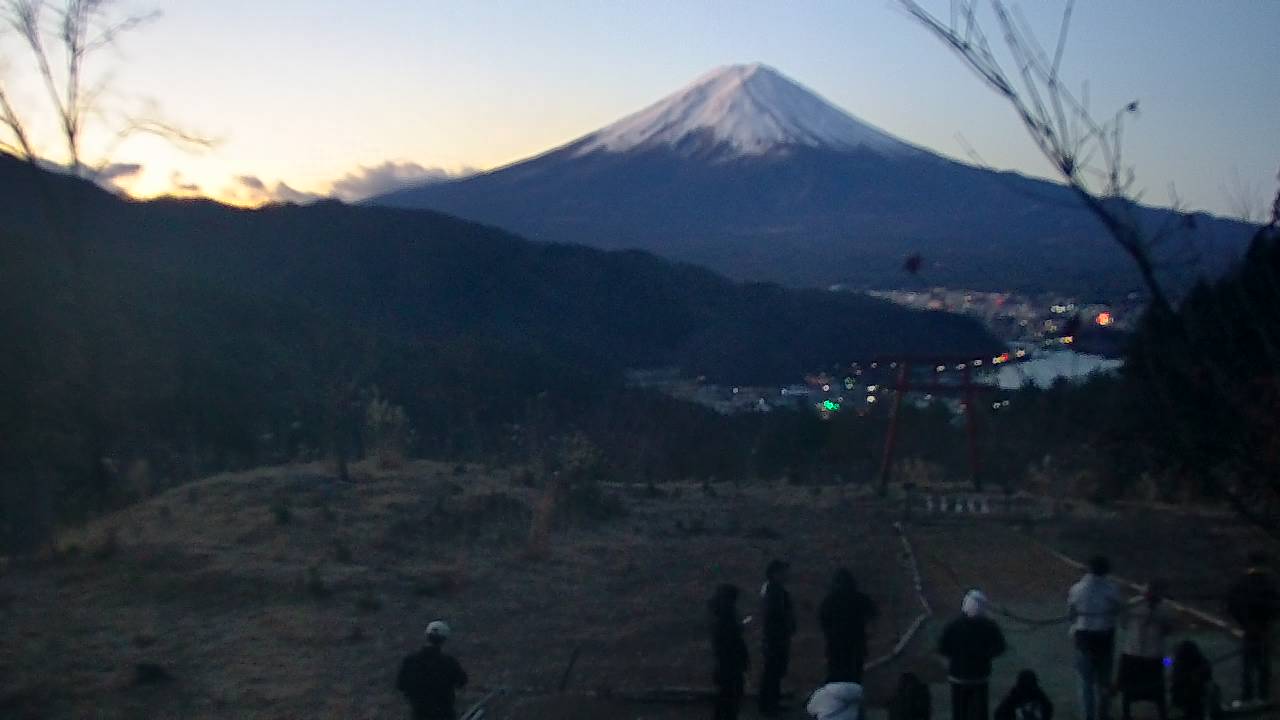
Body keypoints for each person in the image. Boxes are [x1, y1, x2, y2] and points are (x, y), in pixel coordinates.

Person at [1067, 555, 1126, 720]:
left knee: (1085, 682)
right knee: (1104, 681)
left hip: (1084, 638)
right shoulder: (1112, 589)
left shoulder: (1076, 589)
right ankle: (1103, 714)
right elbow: (1119, 610)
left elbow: (1071, 614)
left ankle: (1088, 716)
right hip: (1104, 638)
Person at [938, 589, 1007, 720]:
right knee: (980, 713)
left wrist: (957, 656)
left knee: (959, 713)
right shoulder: (989, 626)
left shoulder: (953, 626)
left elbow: (942, 648)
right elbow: (1000, 647)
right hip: (980, 677)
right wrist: (985, 656)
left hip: (958, 676)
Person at [1117, 580, 1176, 720]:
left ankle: (1161, 713)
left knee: (1156, 688)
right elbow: (1123, 622)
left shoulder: (1165, 608)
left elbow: (1169, 629)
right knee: (1128, 687)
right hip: (1134, 652)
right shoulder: (1134, 604)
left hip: (1151, 654)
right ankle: (1126, 714)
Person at [1226, 552, 1278, 704]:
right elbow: (1275, 605)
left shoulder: (1242, 583)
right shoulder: (1269, 583)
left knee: (1249, 665)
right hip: (1263, 627)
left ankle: (1248, 695)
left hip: (1249, 627)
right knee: (1262, 664)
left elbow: (1232, 604)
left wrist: (1243, 622)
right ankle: (1263, 695)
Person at [397, 620, 469, 720]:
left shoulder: (410, 661)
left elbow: (400, 685)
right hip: (444, 713)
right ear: (444, 640)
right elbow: (462, 681)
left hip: (419, 713)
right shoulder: (449, 662)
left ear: (427, 636)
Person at [819, 568, 879, 683]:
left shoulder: (830, 600)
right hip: (855, 643)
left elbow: (823, 621)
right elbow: (873, 615)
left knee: (836, 674)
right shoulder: (859, 598)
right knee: (854, 675)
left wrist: (829, 634)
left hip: (836, 644)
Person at [759, 559, 798, 716]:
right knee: (773, 670)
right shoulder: (774, 592)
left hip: (777, 636)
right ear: (775, 573)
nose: (786, 575)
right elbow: (775, 615)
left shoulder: (774, 590)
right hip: (775, 637)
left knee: (775, 670)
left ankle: (771, 702)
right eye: (783, 572)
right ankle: (768, 704)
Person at [710, 584, 750, 720]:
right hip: (731, 662)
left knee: (726, 696)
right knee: (730, 696)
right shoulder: (727, 617)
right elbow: (732, 640)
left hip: (726, 662)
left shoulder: (721, 616)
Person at [1170, 640, 1221, 720]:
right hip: (1187, 696)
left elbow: (1207, 679)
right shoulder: (1179, 664)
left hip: (1197, 695)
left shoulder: (1200, 664)